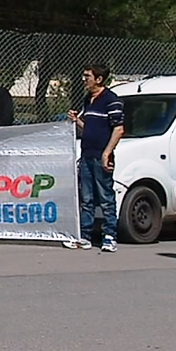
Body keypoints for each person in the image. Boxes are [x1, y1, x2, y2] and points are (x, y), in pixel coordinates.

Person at [63, 63, 124, 253]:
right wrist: (77, 121)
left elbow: (118, 129)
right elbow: (89, 127)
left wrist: (107, 153)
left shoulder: (111, 100)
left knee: (105, 197)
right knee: (86, 198)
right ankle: (85, 236)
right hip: (87, 154)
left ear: (99, 79)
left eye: (88, 76)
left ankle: (110, 236)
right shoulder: (88, 100)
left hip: (101, 156)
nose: (84, 79)